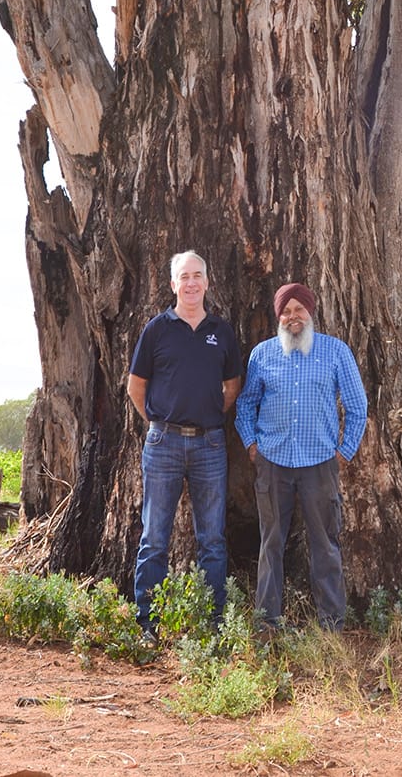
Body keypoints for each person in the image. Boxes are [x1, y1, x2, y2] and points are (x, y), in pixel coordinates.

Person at [235, 281, 367, 631]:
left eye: (299, 309)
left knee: (325, 545)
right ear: (278, 317)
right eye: (286, 311)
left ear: (311, 312)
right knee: (271, 545)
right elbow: (245, 404)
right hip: (273, 463)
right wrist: (251, 445)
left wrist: (344, 452)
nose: (293, 316)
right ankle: (267, 625)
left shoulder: (336, 352)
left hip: (320, 464)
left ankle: (332, 625)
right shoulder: (262, 355)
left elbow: (357, 406)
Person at [127, 250, 241, 636]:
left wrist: (205, 415)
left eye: (197, 275)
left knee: (213, 539)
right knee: (154, 537)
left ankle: (212, 622)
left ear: (207, 282)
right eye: (184, 277)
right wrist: (159, 422)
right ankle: (149, 622)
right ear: (173, 284)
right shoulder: (157, 330)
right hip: (164, 444)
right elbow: (136, 386)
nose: (191, 283)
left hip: (210, 445)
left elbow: (231, 387)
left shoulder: (221, 331)